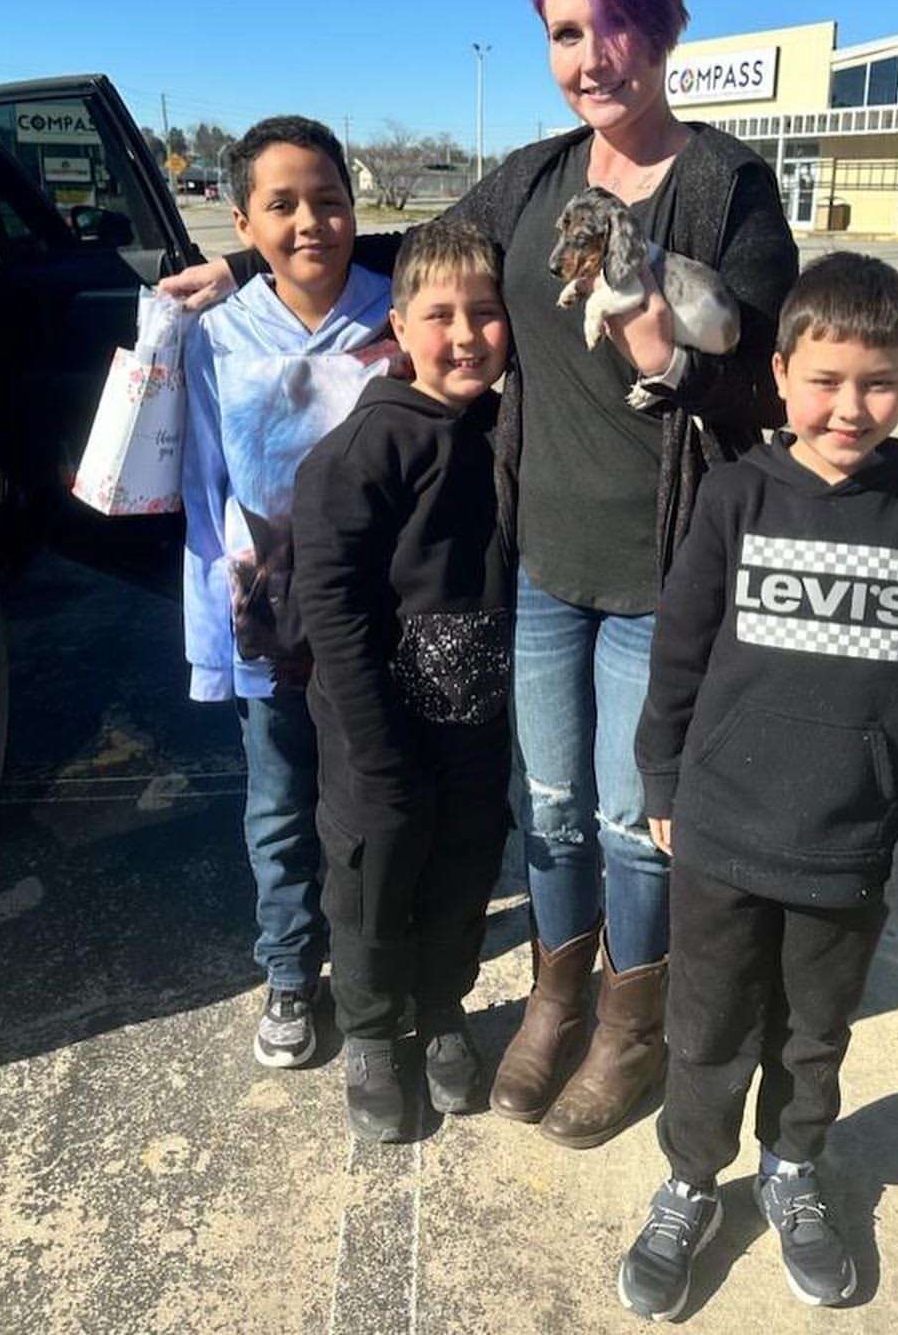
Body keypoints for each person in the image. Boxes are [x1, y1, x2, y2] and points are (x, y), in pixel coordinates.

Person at [161, 0, 799, 1147]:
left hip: (662, 569)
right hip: (543, 568)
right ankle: (556, 1004)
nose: (590, 56)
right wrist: (256, 271)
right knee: (549, 806)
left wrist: (668, 351)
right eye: (566, 33)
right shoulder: (538, 178)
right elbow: (419, 251)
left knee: (631, 816)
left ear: (660, 22)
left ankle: (629, 1027)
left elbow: (770, 373)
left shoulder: (726, 185)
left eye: (612, 24)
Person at [616, 254, 898, 1321]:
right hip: (720, 830)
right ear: (779, 375)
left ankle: (791, 1167)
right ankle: (688, 1181)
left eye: (878, 381)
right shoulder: (732, 496)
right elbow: (677, 655)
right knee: (705, 1024)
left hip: (844, 847)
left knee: (812, 1032)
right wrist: (660, 777)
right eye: (825, 379)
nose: (848, 406)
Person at [291, 219, 514, 1141]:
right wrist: (373, 748)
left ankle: (445, 1010)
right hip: (375, 726)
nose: (465, 335)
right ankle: (376, 1031)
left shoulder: (509, 430)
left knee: (464, 864)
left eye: (487, 313)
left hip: (477, 716)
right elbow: (332, 610)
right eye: (440, 315)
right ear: (398, 324)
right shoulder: (364, 449)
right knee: (375, 876)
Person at [181, 114, 395, 1070]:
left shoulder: (402, 313)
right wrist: (209, 633)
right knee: (278, 800)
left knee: (373, 797)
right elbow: (202, 490)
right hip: (264, 614)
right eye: (282, 205)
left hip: (384, 613)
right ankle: (286, 970)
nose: (311, 221)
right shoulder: (214, 339)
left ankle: (372, 965)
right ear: (241, 220)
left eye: (329, 199)